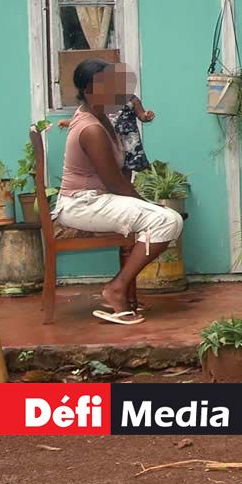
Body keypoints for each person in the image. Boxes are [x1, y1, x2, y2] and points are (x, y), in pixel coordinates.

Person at [54, 60, 184, 325]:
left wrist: (146, 205)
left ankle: (119, 289)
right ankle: (116, 289)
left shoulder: (101, 118)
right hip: (81, 205)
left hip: (96, 200)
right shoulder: (91, 128)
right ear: (90, 89)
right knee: (167, 219)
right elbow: (115, 183)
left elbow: (120, 176)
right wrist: (150, 206)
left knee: (163, 218)